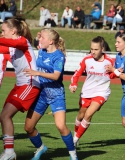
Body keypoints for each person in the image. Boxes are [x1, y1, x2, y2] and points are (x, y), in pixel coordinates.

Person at [23, 28, 78, 160]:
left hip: (56, 95)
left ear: (51, 41)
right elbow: (36, 41)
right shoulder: (42, 50)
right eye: (40, 38)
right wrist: (40, 35)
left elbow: (56, 76)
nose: (39, 40)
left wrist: (38, 73)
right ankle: (41, 148)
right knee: (28, 127)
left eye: (42, 38)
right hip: (41, 94)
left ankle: (73, 154)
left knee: (60, 126)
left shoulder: (59, 56)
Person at [0, 18, 41, 160]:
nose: (2, 33)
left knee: (5, 115)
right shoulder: (10, 45)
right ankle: (8, 151)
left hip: (30, 85)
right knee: (3, 116)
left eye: (3, 31)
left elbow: (8, 43)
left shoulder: (22, 41)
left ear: (13, 31)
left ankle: (10, 152)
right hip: (20, 85)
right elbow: (3, 46)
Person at [69, 36, 114, 148]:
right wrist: (73, 84)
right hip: (87, 92)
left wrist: (116, 71)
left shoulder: (109, 61)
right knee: (81, 115)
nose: (93, 52)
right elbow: (77, 73)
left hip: (102, 92)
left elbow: (111, 75)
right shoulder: (86, 60)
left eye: (96, 49)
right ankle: (76, 133)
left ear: (102, 48)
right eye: (91, 49)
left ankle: (75, 140)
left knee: (88, 114)